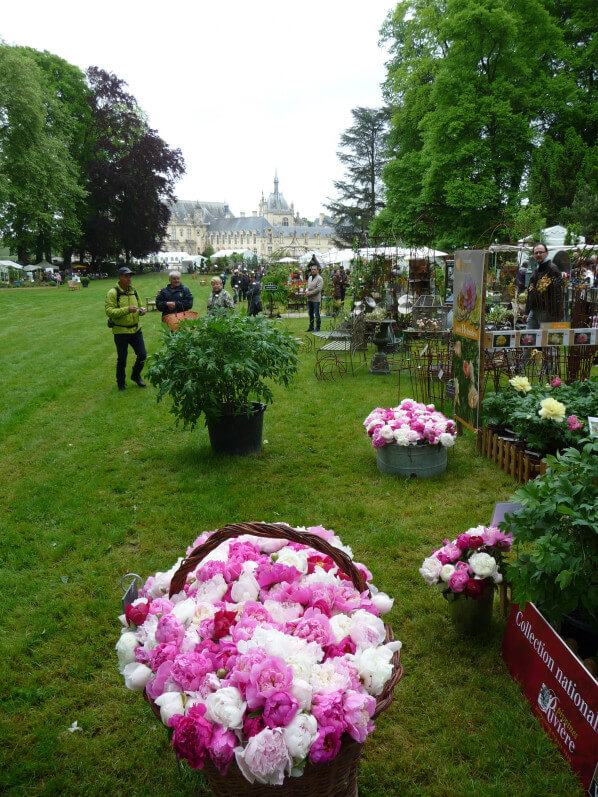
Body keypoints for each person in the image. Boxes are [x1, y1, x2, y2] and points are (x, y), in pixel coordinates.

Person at [105, 267, 148, 391]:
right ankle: (121, 383)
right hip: (121, 331)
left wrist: (142, 310)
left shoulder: (134, 291)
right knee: (122, 359)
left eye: (130, 276)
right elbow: (109, 311)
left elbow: (139, 306)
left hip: (136, 329)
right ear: (119, 278)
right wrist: (126, 310)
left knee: (142, 355)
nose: (129, 279)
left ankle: (135, 375)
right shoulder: (113, 293)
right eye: (126, 276)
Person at [525, 243, 564, 327]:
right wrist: (526, 312)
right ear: (533, 255)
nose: (538, 255)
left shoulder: (552, 269)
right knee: (528, 338)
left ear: (546, 253)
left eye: (541, 252)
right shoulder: (537, 269)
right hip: (533, 311)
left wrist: (554, 314)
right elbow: (530, 291)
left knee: (543, 338)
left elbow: (557, 293)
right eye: (536, 253)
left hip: (546, 311)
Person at [306, 256, 324, 332]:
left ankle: (318, 327)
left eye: (314, 270)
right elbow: (308, 286)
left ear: (317, 271)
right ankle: (311, 327)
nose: (313, 271)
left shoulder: (320, 279)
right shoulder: (310, 277)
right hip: (309, 299)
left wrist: (310, 293)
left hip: (316, 299)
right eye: (312, 269)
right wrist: (306, 290)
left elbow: (318, 289)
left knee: (316, 314)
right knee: (310, 314)